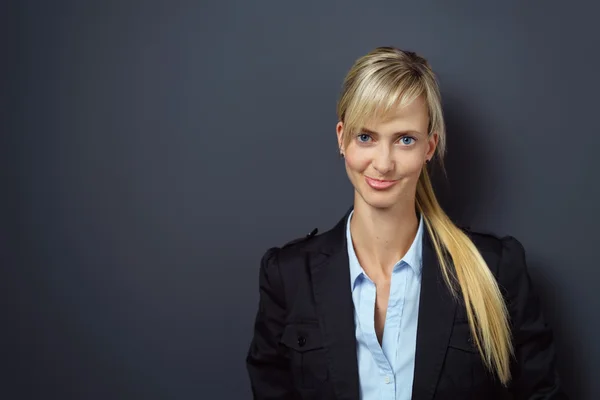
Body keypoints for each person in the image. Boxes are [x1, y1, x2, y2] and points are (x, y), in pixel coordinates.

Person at [246, 47, 567, 399]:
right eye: (365, 137)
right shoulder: (288, 277)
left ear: (429, 147)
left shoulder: (497, 269)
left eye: (405, 140)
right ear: (341, 138)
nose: (383, 163)